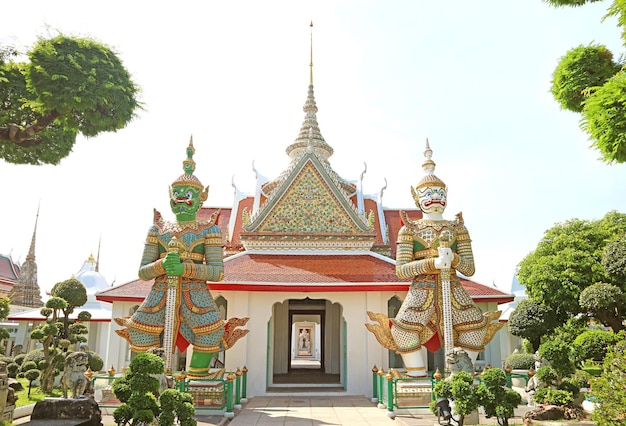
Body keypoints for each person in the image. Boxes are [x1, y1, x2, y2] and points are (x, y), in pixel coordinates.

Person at [366, 140, 503, 377]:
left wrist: (454, 260)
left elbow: (469, 269)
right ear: (417, 198)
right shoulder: (409, 229)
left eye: (440, 193)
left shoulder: (457, 227)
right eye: (428, 194)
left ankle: (462, 375)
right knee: (403, 332)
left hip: (453, 287)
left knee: (474, 329)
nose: (435, 198)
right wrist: (432, 263)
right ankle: (417, 375)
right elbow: (401, 270)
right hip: (422, 288)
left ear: (447, 196)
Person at [115, 138, 248, 378]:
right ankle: (147, 383)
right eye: (177, 193)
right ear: (169, 197)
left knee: (210, 332)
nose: (182, 198)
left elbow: (217, 272)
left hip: (196, 293)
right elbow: (143, 271)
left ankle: (196, 380)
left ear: (201, 198)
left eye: (189, 194)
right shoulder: (158, 230)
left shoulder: (209, 230)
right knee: (142, 332)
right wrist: (162, 265)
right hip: (160, 291)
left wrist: (186, 269)